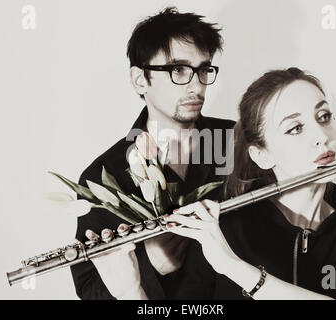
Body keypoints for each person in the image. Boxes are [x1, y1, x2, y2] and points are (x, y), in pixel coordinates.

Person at [166, 67, 336, 299]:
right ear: (262, 155)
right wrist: (131, 288)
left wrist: (230, 265)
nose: (322, 136)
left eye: (323, 117)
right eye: (296, 128)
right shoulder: (223, 229)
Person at [70, 7, 235, 300]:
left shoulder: (238, 141)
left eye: (204, 70)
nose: (197, 85)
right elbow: (90, 292)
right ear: (140, 80)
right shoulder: (102, 177)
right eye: (179, 70)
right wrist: (151, 265)